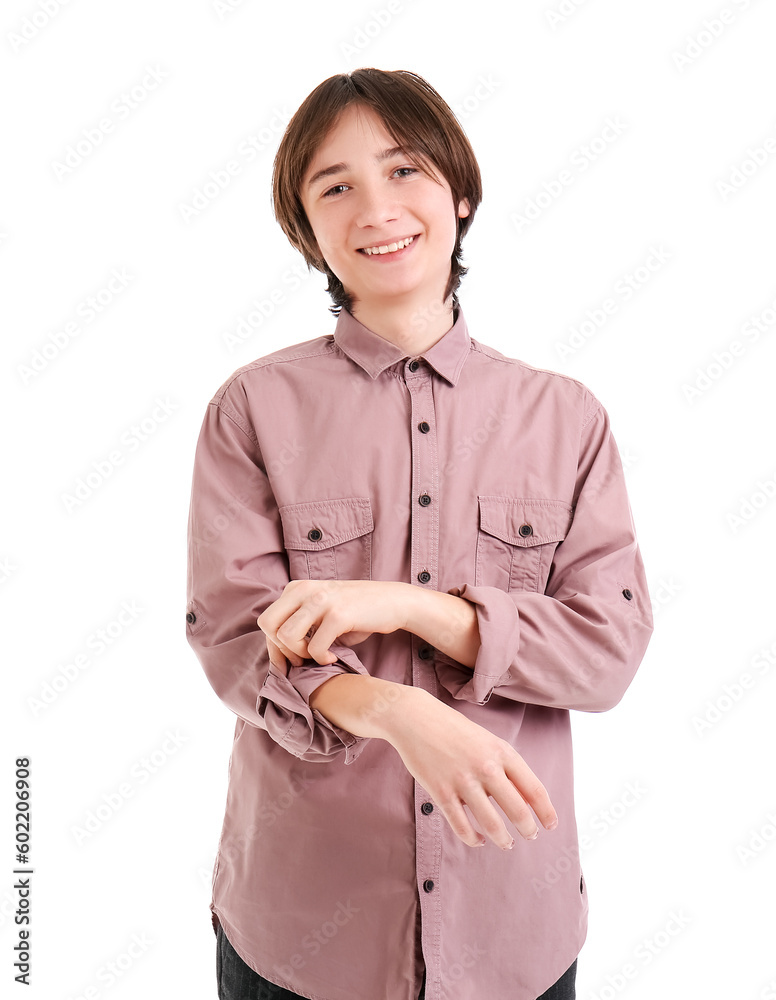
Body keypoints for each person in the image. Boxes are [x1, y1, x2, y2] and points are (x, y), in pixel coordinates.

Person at [185, 67, 654, 1000]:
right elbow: (235, 638)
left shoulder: (567, 418)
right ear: (306, 229)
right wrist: (397, 712)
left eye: (404, 171)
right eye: (336, 186)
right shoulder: (252, 409)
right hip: (301, 924)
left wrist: (411, 607)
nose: (377, 208)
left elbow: (608, 652)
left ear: (460, 193)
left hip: (512, 923)